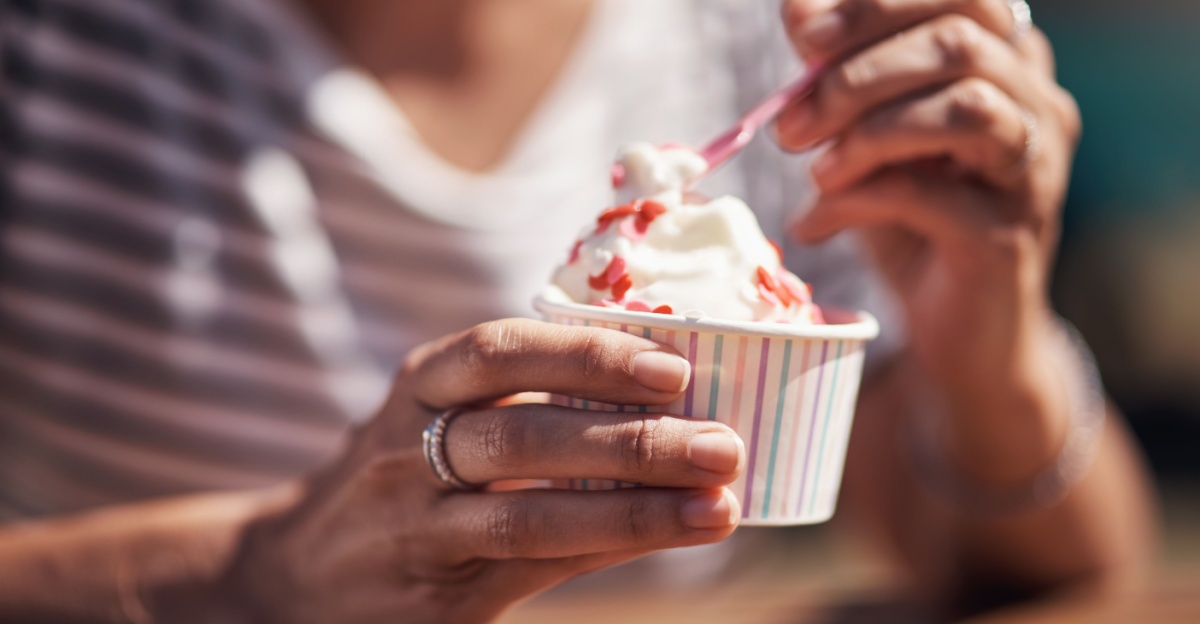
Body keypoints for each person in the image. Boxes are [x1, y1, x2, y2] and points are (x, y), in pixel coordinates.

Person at [0, 0, 1155, 621]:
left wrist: (986, 348)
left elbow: (1060, 579)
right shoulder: (57, 42)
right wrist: (252, 577)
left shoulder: (778, 42)